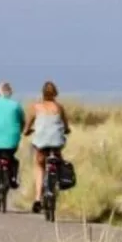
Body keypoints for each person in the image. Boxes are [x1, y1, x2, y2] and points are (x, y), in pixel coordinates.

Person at [23, 80, 71, 213]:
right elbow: (66, 126)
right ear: (55, 93)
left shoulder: (36, 107)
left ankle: (37, 198)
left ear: (42, 93)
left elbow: (26, 127)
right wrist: (66, 130)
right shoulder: (59, 108)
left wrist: (27, 131)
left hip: (41, 143)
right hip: (55, 143)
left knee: (39, 166)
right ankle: (59, 181)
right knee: (58, 160)